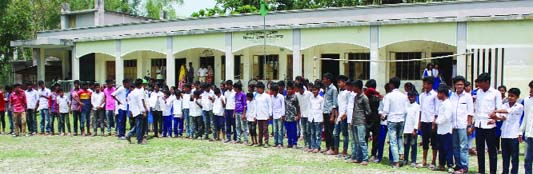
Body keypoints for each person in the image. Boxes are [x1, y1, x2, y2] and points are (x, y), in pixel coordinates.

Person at [473, 73, 502, 174]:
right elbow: (477, 109)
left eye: (480, 83)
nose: (479, 85)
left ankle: (492, 171)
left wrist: (495, 119)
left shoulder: (496, 93)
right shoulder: (478, 92)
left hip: (490, 125)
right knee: (480, 150)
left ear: (487, 82)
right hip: (479, 124)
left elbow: (499, 108)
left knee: (491, 150)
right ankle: (481, 171)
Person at [491, 88, 523, 174]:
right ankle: (505, 171)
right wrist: (494, 118)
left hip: (514, 134)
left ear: (517, 97)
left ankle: (514, 172)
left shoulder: (519, 106)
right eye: (509, 95)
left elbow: (508, 111)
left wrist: (496, 111)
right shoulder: (504, 105)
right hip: (505, 134)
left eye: (512, 96)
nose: (510, 97)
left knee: (514, 157)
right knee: (505, 156)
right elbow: (502, 117)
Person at [449, 76, 473, 174]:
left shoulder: (467, 97)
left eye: (461, 84)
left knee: (463, 146)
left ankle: (464, 166)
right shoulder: (452, 96)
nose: (460, 86)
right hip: (453, 125)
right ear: (454, 85)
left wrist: (469, 126)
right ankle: (458, 165)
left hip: (463, 125)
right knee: (455, 146)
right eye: (458, 84)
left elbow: (470, 112)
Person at [382, 77, 408, 168]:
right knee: (399, 138)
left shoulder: (388, 96)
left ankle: (396, 162)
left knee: (393, 142)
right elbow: (406, 110)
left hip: (392, 119)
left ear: (391, 84)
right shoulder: (404, 96)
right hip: (401, 119)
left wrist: (383, 115)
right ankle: (401, 154)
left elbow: (385, 109)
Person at [418, 76, 439, 169]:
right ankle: (424, 160)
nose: (424, 85)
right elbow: (421, 109)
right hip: (424, 121)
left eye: (426, 83)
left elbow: (436, 110)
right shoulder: (421, 95)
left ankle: (433, 161)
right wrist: (419, 122)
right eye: (424, 83)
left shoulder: (435, 95)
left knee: (434, 142)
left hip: (431, 121)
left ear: (430, 84)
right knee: (424, 141)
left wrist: (434, 122)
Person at [350, 80, 371, 165]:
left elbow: (368, 111)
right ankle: (357, 158)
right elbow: (354, 110)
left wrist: (363, 117)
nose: (353, 88)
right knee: (356, 141)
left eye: (354, 87)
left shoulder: (364, 98)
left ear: (358, 87)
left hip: (361, 122)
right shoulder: (355, 97)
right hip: (355, 121)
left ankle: (365, 159)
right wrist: (352, 121)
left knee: (362, 141)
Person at [435, 86, 454, 173]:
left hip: (447, 129)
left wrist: (437, 121)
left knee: (448, 148)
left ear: (443, 94)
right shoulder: (441, 103)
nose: (437, 95)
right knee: (441, 148)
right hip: (440, 130)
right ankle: (441, 164)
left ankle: (450, 165)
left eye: (439, 93)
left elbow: (446, 116)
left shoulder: (448, 104)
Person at [126, 79, 148, 144]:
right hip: (139, 111)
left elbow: (129, 102)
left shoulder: (131, 93)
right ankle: (139, 140)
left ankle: (129, 135)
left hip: (134, 111)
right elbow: (140, 103)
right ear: (141, 85)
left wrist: (131, 111)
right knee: (139, 126)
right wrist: (143, 111)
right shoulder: (139, 92)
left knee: (137, 125)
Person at [322, 73, 338, 155]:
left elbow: (334, 104)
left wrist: (332, 115)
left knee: (331, 131)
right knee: (326, 131)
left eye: (324, 79)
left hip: (330, 112)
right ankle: (327, 147)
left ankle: (332, 148)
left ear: (328, 79)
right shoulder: (326, 88)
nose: (323, 80)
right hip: (325, 111)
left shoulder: (333, 89)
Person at [334, 75, 350, 156]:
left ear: (344, 82)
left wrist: (346, 114)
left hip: (344, 116)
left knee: (345, 134)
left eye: (339, 82)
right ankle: (336, 149)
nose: (338, 84)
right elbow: (338, 105)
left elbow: (349, 104)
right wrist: (336, 116)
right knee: (336, 133)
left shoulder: (348, 92)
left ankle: (344, 150)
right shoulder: (340, 92)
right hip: (339, 116)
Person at [404, 91, 420, 167]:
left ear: (415, 97)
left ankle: (413, 160)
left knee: (413, 145)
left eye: (413, 97)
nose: (411, 98)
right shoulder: (406, 105)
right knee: (406, 145)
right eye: (410, 97)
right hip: (406, 129)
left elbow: (417, 118)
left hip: (413, 129)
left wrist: (415, 129)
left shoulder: (417, 106)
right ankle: (405, 159)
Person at [295, 82, 312, 151]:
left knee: (308, 131)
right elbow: (298, 105)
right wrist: (298, 114)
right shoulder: (297, 95)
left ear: (301, 88)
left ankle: (310, 145)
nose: (296, 90)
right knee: (304, 130)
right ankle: (306, 144)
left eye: (297, 88)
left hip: (308, 114)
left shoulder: (309, 94)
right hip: (302, 115)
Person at [521, 80, 533, 174]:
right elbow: (525, 117)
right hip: (529, 135)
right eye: (530, 88)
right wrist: (521, 131)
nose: (531, 91)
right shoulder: (527, 100)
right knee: (527, 159)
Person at [255, 82, 272, 148]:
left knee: (265, 130)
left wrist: (270, 114)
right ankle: (260, 142)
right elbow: (255, 106)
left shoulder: (267, 96)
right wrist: (255, 115)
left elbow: (270, 105)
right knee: (260, 130)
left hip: (265, 115)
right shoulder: (256, 96)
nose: (257, 90)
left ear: (261, 88)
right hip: (259, 116)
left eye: (258, 88)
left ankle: (266, 142)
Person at [309, 83, 324, 153]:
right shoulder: (311, 98)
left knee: (318, 133)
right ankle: (313, 146)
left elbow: (322, 109)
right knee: (312, 133)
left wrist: (322, 119)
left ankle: (317, 147)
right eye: (313, 90)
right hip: (312, 118)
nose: (314, 91)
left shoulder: (321, 99)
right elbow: (310, 108)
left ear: (318, 90)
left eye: (315, 90)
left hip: (318, 118)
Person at [284, 81, 300, 148]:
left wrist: (297, 115)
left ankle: (295, 143)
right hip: (287, 117)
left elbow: (297, 107)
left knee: (294, 130)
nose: (288, 90)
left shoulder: (295, 97)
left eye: (290, 89)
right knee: (288, 131)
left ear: (293, 90)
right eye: (287, 89)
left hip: (293, 116)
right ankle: (289, 143)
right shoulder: (285, 97)